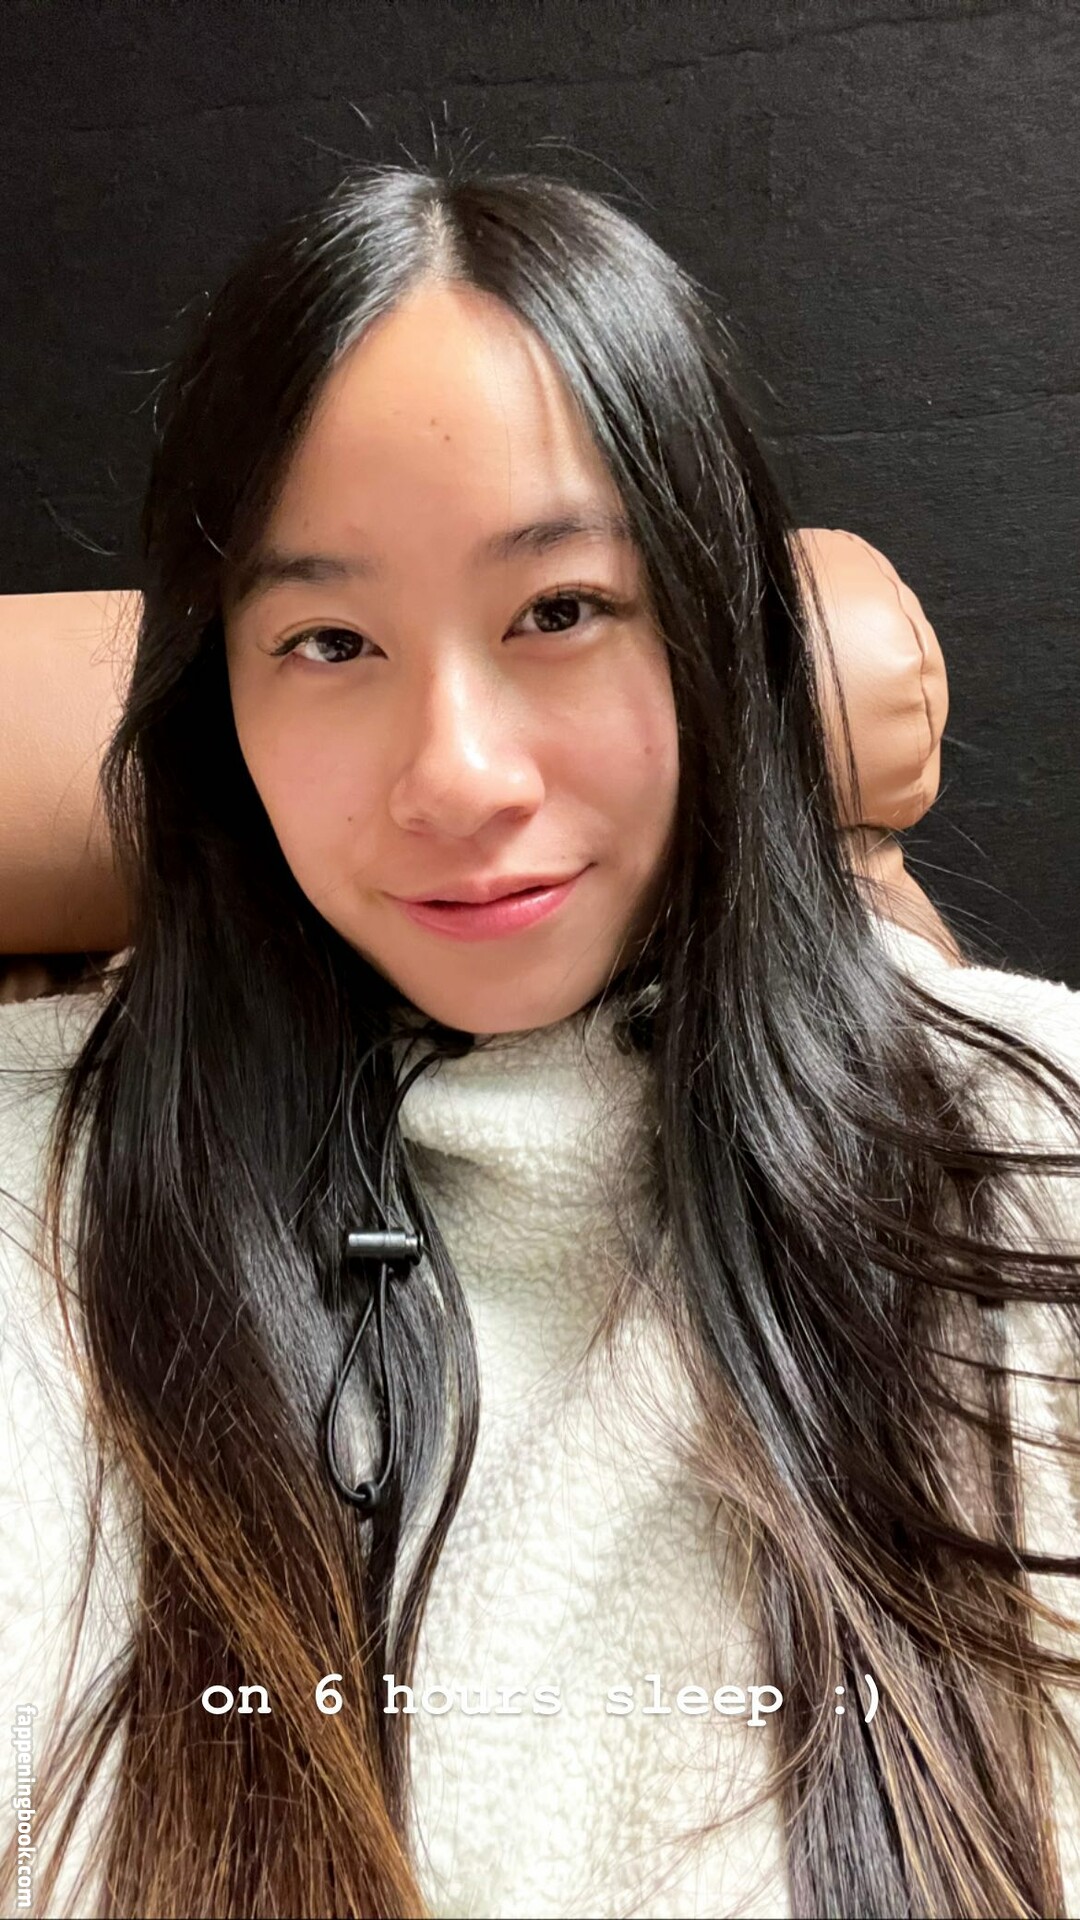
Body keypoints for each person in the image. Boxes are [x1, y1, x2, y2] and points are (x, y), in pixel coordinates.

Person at [2, 159, 1080, 1920]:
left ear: (715, 629)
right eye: (329, 639)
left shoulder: (1027, 1141)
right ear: (221, 707)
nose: (459, 777)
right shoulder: (34, 1196)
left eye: (561, 611)